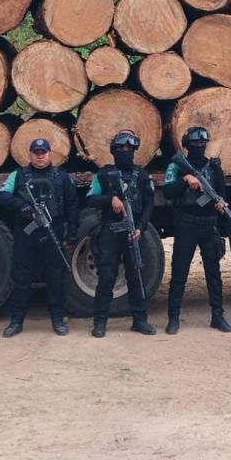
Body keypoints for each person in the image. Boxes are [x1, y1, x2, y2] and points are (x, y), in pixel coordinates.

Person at [0, 138, 78, 337]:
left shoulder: (61, 177)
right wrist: (21, 206)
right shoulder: (19, 175)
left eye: (43, 153)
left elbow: (72, 206)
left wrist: (72, 234)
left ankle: (57, 320)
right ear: (30, 155)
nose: (40, 157)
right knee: (21, 278)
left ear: (49, 154)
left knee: (55, 278)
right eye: (36, 153)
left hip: (53, 232)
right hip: (26, 232)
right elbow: (1, 195)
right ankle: (16, 321)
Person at [86, 130, 157, 338]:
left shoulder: (142, 175)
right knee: (107, 277)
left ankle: (140, 320)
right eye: (121, 148)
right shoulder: (104, 175)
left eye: (129, 149)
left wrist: (141, 227)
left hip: (133, 232)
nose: (125, 152)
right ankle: (100, 322)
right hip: (110, 231)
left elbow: (149, 204)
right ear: (113, 151)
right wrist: (110, 199)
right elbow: (90, 199)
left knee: (136, 277)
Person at [162, 126, 231, 334]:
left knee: (213, 274)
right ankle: (173, 318)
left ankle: (217, 316)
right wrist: (185, 181)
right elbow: (167, 192)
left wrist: (221, 204)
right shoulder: (177, 166)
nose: (199, 146)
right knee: (179, 273)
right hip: (186, 223)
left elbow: (221, 192)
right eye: (195, 143)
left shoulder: (214, 167)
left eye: (202, 143)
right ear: (187, 145)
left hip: (209, 224)